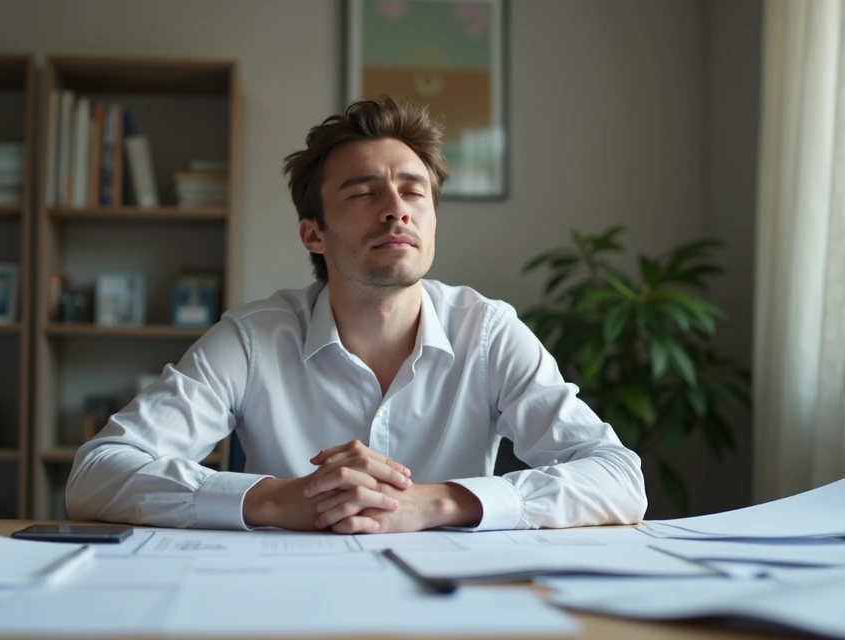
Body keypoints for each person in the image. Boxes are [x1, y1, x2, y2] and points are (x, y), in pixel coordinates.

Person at [66, 96, 647, 533]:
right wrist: (272, 498)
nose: (397, 210)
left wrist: (438, 502)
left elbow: (619, 478)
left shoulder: (487, 330)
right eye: (364, 193)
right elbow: (96, 474)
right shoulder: (252, 339)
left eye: (414, 192)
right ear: (312, 233)